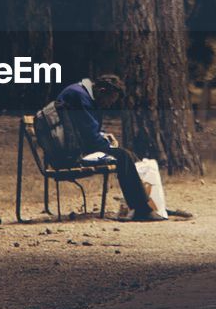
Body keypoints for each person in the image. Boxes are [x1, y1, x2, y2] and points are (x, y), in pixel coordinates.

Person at [56, 74, 165, 221]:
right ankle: (142, 209)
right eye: (110, 100)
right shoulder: (81, 97)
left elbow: (85, 128)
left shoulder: (82, 93)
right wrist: (107, 143)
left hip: (75, 145)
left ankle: (151, 204)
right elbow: (91, 139)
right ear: (101, 90)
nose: (109, 105)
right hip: (72, 153)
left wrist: (104, 136)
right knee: (124, 156)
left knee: (129, 155)